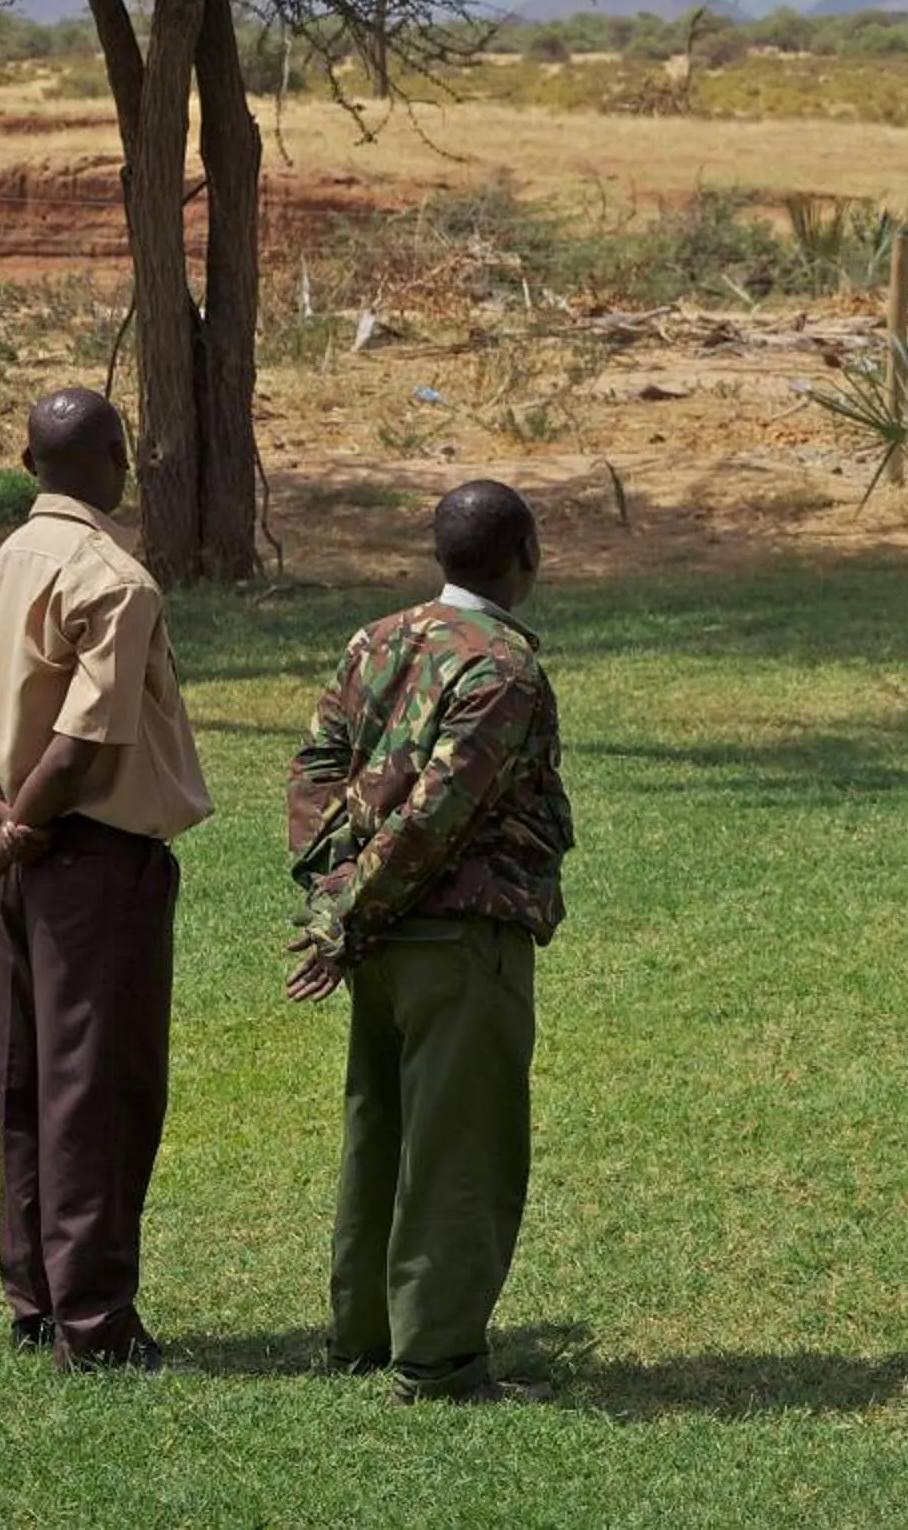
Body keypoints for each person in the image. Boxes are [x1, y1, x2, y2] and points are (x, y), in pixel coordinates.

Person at [0, 387, 210, 1372]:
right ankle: (95, 1327)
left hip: (28, 860)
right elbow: (84, 744)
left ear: (28, 466)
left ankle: (37, 1300)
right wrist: (13, 842)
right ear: (115, 460)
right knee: (100, 1092)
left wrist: (4, 833)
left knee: (26, 1081)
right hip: (91, 864)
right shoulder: (114, 580)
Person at [284, 480, 573, 1404]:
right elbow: (434, 817)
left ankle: (366, 1334)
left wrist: (336, 894)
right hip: (458, 939)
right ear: (526, 555)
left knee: (381, 1132)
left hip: (382, 940)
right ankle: (439, 1362)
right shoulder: (504, 670)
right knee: (461, 1151)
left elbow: (316, 771)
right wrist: (346, 914)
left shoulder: (377, 639)